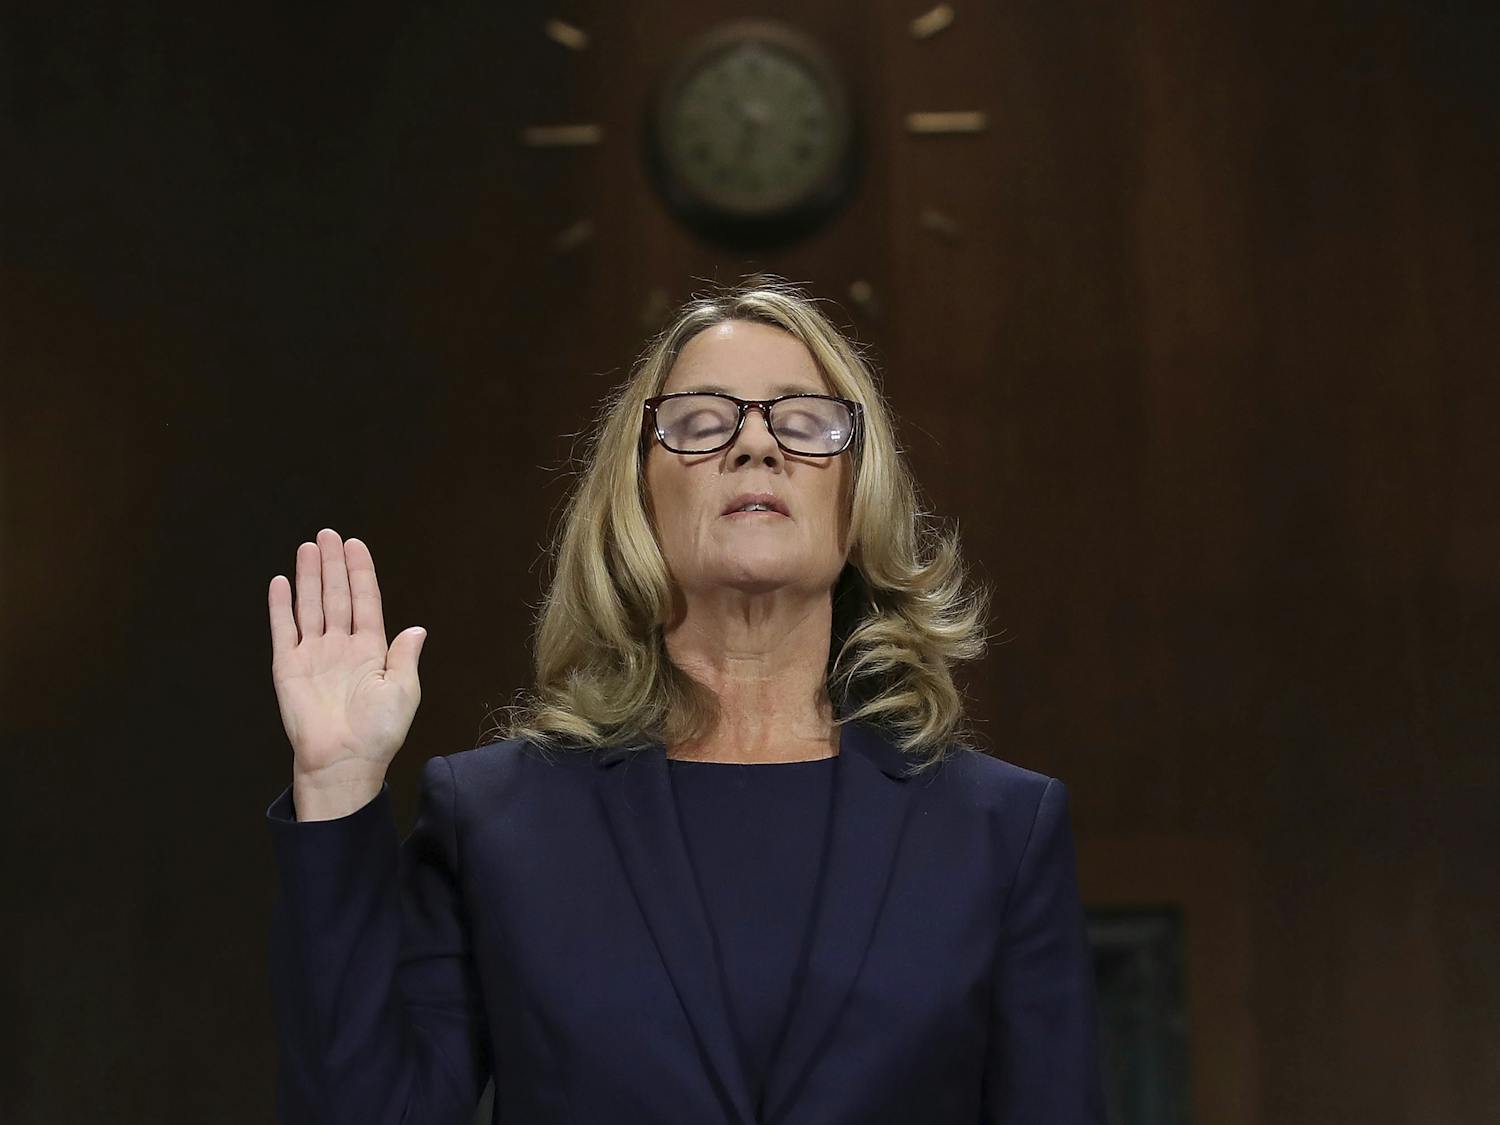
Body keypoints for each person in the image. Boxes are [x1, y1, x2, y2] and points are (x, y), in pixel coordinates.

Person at [264, 276, 1106, 1125]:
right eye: (703, 423)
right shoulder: (495, 819)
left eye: (806, 423)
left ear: (855, 503)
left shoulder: (1000, 831)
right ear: (639, 498)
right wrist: (336, 788)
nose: (758, 446)